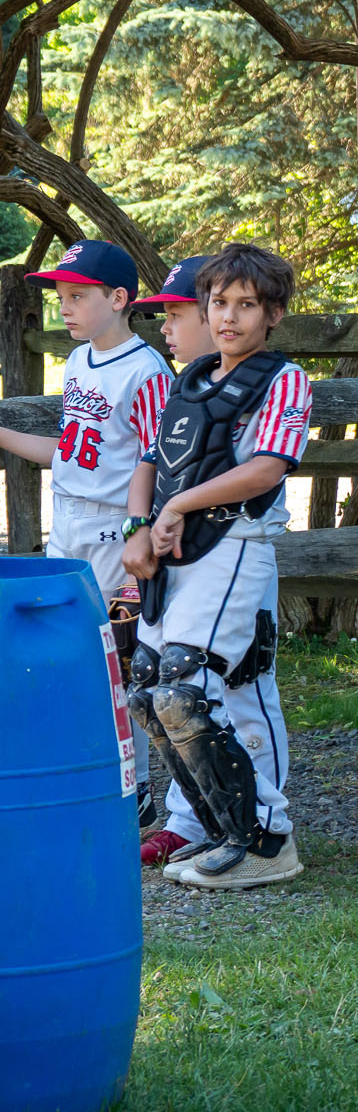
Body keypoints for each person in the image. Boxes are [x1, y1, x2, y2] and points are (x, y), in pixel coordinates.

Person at [123, 243, 309, 889]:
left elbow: (265, 469)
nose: (229, 317)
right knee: (149, 689)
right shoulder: (191, 379)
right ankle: (217, 829)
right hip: (172, 554)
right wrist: (139, 528)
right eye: (219, 303)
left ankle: (266, 838)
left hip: (232, 544)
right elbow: (152, 461)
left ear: (273, 314)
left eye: (246, 305)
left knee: (185, 687)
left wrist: (180, 506)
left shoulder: (283, 379)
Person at [0, 240, 170, 835]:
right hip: (68, 520)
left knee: (114, 662)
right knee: (68, 656)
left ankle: (137, 789)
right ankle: (86, 777)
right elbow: (69, 452)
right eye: (61, 296)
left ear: (119, 298)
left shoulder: (146, 370)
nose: (64, 307)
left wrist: (142, 535)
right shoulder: (78, 361)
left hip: (115, 529)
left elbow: (158, 460)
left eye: (77, 296)